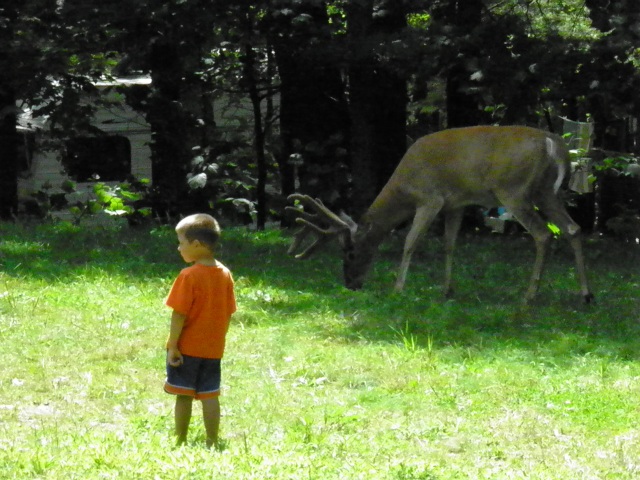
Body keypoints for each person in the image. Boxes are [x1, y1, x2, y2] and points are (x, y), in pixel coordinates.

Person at [163, 213, 236, 448]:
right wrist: (218, 341)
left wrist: (173, 344)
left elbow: (179, 313)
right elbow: (228, 313)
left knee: (184, 395)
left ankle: (180, 439)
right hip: (213, 348)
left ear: (196, 245)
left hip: (188, 348)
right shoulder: (224, 274)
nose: (178, 248)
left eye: (181, 242)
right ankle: (212, 441)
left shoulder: (188, 275)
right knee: (210, 395)